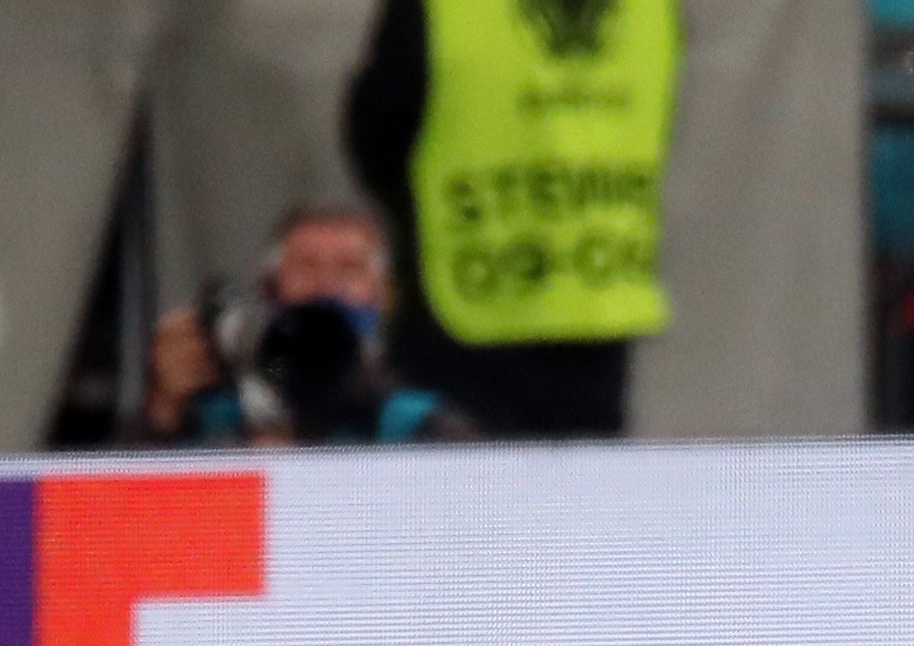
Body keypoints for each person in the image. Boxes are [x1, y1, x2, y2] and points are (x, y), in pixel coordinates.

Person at [341, 0, 677, 438]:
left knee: (459, 492)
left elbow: (378, 132)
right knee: (582, 497)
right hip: (594, 302)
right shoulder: (651, 11)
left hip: (465, 313)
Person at [131, 204, 470, 446]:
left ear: (384, 297)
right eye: (307, 267)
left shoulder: (412, 418)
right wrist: (163, 409)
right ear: (270, 288)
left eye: (348, 269)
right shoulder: (216, 413)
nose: (326, 286)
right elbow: (113, 517)